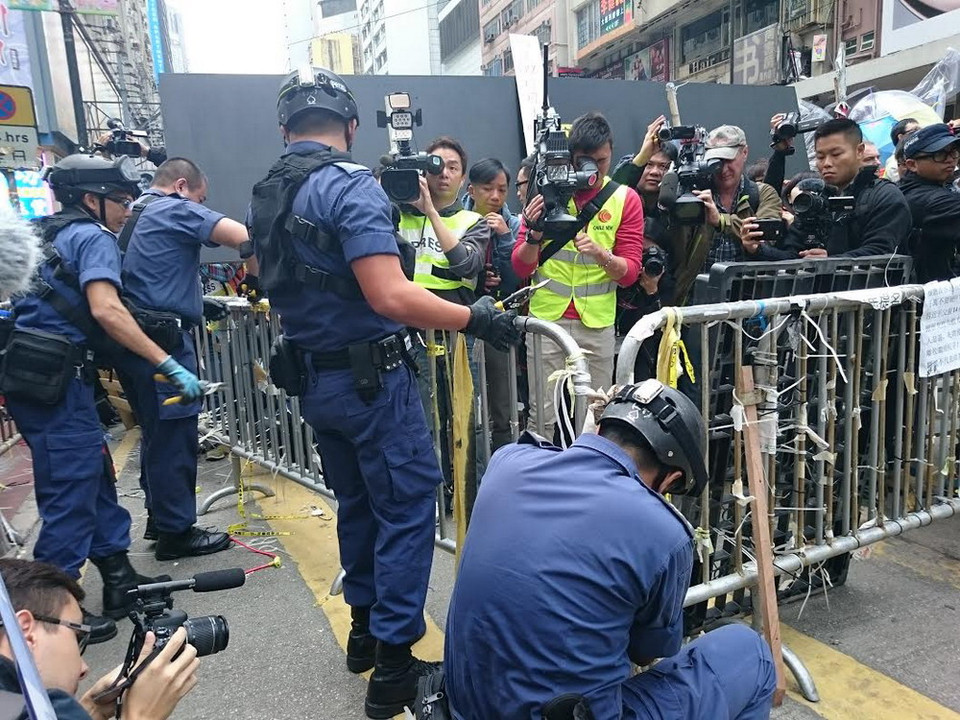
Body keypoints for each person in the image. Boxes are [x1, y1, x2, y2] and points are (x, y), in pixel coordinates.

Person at [247, 67, 519, 719]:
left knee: (360, 506)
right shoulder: (347, 187)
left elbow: (264, 278)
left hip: (317, 379)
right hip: (372, 383)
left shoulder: (268, 193)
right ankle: (395, 668)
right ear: (350, 126)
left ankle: (366, 633)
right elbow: (390, 295)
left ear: (285, 128)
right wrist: (478, 317)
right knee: (403, 509)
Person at [444, 379, 776, 719]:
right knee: (751, 654)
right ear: (671, 480)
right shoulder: (664, 532)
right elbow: (646, 653)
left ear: (600, 425)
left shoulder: (509, 461)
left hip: (464, 709)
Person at [3, 155, 193, 643]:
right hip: (57, 384)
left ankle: (119, 580)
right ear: (91, 200)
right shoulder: (91, 237)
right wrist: (165, 362)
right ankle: (47, 618)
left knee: (95, 477)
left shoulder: (48, 233)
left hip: (43, 377)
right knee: (70, 490)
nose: (129, 210)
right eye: (122, 202)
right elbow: (106, 310)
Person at [115, 157, 257, 561]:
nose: (200, 205)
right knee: (175, 436)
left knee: (157, 435)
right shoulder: (175, 208)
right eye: (201, 198)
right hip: (163, 343)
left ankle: (161, 519)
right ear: (181, 186)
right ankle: (177, 531)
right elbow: (242, 235)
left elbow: (152, 277)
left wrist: (198, 301)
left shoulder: (134, 213)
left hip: (135, 341)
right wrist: (259, 270)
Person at [514, 112, 644, 440]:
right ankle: (538, 486)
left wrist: (602, 255)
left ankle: (587, 486)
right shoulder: (545, 192)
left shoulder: (625, 199)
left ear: (611, 152)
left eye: (602, 160)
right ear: (570, 158)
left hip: (596, 325)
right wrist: (533, 233)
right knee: (541, 417)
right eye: (586, 161)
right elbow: (520, 266)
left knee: (594, 417)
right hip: (546, 321)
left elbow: (630, 274)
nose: (594, 169)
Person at [398, 136, 491, 495]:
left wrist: (431, 213)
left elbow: (466, 263)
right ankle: (432, 496)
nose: (444, 175)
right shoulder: (396, 214)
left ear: (464, 178)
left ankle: (471, 494)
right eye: (436, 166)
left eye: (453, 168)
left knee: (466, 418)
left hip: (457, 334)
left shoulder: (473, 221)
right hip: (411, 335)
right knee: (419, 418)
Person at [0, 558, 197, 720]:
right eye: (77, 638)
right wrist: (141, 715)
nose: (84, 669)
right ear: (27, 632)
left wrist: (92, 709)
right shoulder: (32, 709)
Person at [741, 119, 912, 260]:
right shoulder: (815, 199)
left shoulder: (885, 196)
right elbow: (793, 254)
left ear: (859, 151)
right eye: (820, 156)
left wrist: (830, 261)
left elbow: (881, 252)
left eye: (836, 154)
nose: (826, 163)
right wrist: (757, 249)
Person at [464, 158, 522, 451]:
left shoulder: (512, 223)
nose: (496, 197)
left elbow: (518, 278)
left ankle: (503, 460)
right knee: (465, 406)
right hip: (463, 321)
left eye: (502, 189)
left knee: (502, 402)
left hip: (498, 323)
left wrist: (505, 236)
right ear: (471, 189)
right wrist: (477, 281)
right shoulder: (455, 220)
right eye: (488, 189)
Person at [898, 123, 960, 282]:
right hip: (927, 296)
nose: (950, 160)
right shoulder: (928, 200)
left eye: (953, 153)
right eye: (939, 154)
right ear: (912, 165)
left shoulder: (936, 189)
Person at [885, 117, 920, 182]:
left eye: (920, 129)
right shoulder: (893, 164)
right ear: (901, 137)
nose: (919, 133)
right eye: (915, 130)